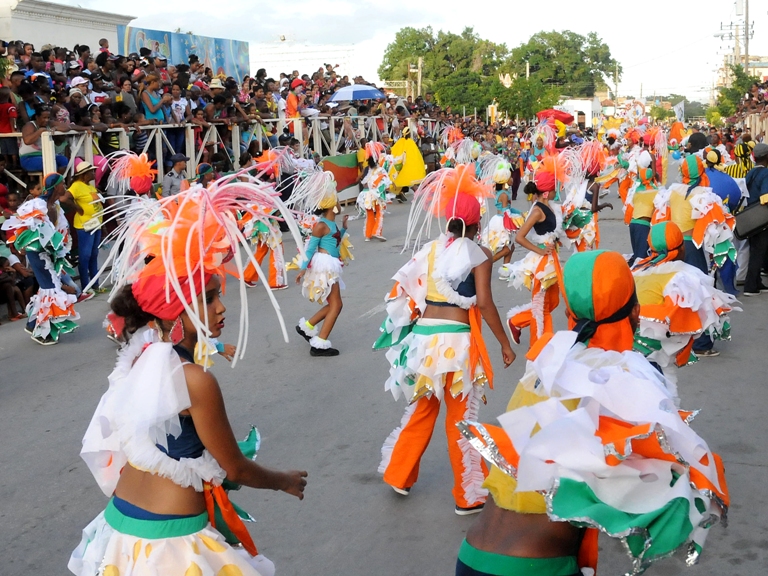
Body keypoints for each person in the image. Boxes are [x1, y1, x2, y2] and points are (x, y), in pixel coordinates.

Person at [68, 176, 308, 576]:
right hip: (170, 543)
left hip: (120, 528)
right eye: (209, 297)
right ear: (175, 310)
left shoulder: (140, 354)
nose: (221, 307)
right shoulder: (194, 379)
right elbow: (235, 468)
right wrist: (283, 480)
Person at [457, 250, 729, 576]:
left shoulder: (547, 365)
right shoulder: (623, 379)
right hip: (536, 566)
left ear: (570, 309)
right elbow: (670, 474)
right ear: (636, 312)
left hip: (471, 556)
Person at [374, 165, 515, 515]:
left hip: (424, 343)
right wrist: (505, 343)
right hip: (457, 346)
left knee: (421, 409)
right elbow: (484, 302)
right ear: (476, 222)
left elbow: (409, 289)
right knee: (462, 417)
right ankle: (468, 495)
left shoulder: (431, 250)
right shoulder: (478, 253)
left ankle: (398, 473)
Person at [653, 154, 736, 357]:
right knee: (701, 293)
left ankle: (676, 336)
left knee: (677, 292)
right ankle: (701, 344)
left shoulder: (672, 191)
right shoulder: (702, 193)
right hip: (691, 248)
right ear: (700, 172)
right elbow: (715, 226)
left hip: (672, 247)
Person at [633, 221, 737, 380]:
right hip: (653, 354)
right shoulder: (682, 276)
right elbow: (686, 319)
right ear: (681, 248)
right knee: (660, 395)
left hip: (625, 348)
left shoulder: (636, 270)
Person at [1, 173, 78, 344]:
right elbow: (24, 229)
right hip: (37, 254)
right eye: (62, 183)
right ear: (56, 186)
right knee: (49, 288)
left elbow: (60, 232)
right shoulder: (37, 205)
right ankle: (42, 333)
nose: (65, 186)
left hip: (51, 254)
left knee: (49, 288)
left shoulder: (56, 205)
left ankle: (32, 323)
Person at [506, 158, 565, 349]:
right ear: (547, 191)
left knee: (552, 301)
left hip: (551, 259)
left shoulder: (549, 206)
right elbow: (520, 236)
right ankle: (541, 349)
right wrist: (540, 249)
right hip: (541, 263)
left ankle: (517, 320)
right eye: (555, 187)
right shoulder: (538, 210)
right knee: (541, 307)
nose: (558, 190)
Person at [294, 170, 353, 356]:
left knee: (334, 303)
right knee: (336, 305)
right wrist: (303, 269)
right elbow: (311, 248)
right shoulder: (321, 224)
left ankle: (308, 327)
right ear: (331, 204)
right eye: (336, 200)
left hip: (331, 265)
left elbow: (334, 241)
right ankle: (319, 343)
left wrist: (343, 229)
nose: (339, 203)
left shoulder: (332, 223)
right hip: (325, 267)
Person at [61, 160, 104, 293]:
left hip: (96, 224)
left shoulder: (89, 186)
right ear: (84, 174)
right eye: (91, 171)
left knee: (94, 254)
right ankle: (86, 286)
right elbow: (64, 199)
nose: (94, 173)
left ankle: (95, 284)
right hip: (85, 225)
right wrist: (77, 208)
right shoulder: (76, 186)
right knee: (85, 256)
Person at [743, 142, 768, 296]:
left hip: (750, 217)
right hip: (762, 217)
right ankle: (750, 285)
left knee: (756, 250)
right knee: (759, 251)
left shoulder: (750, 173)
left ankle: (757, 282)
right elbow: (765, 197)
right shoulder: (766, 173)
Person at [356, 142, 390, 242]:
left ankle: (368, 235)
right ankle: (377, 232)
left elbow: (364, 183)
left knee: (369, 215)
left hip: (367, 196)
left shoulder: (368, 169)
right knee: (379, 213)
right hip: (377, 196)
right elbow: (386, 183)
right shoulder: (381, 170)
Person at [390, 126, 426, 202]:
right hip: (406, 165)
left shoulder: (399, 142)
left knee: (401, 179)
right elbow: (414, 156)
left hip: (399, 164)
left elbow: (394, 152)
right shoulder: (410, 142)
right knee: (407, 180)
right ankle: (402, 194)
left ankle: (400, 194)